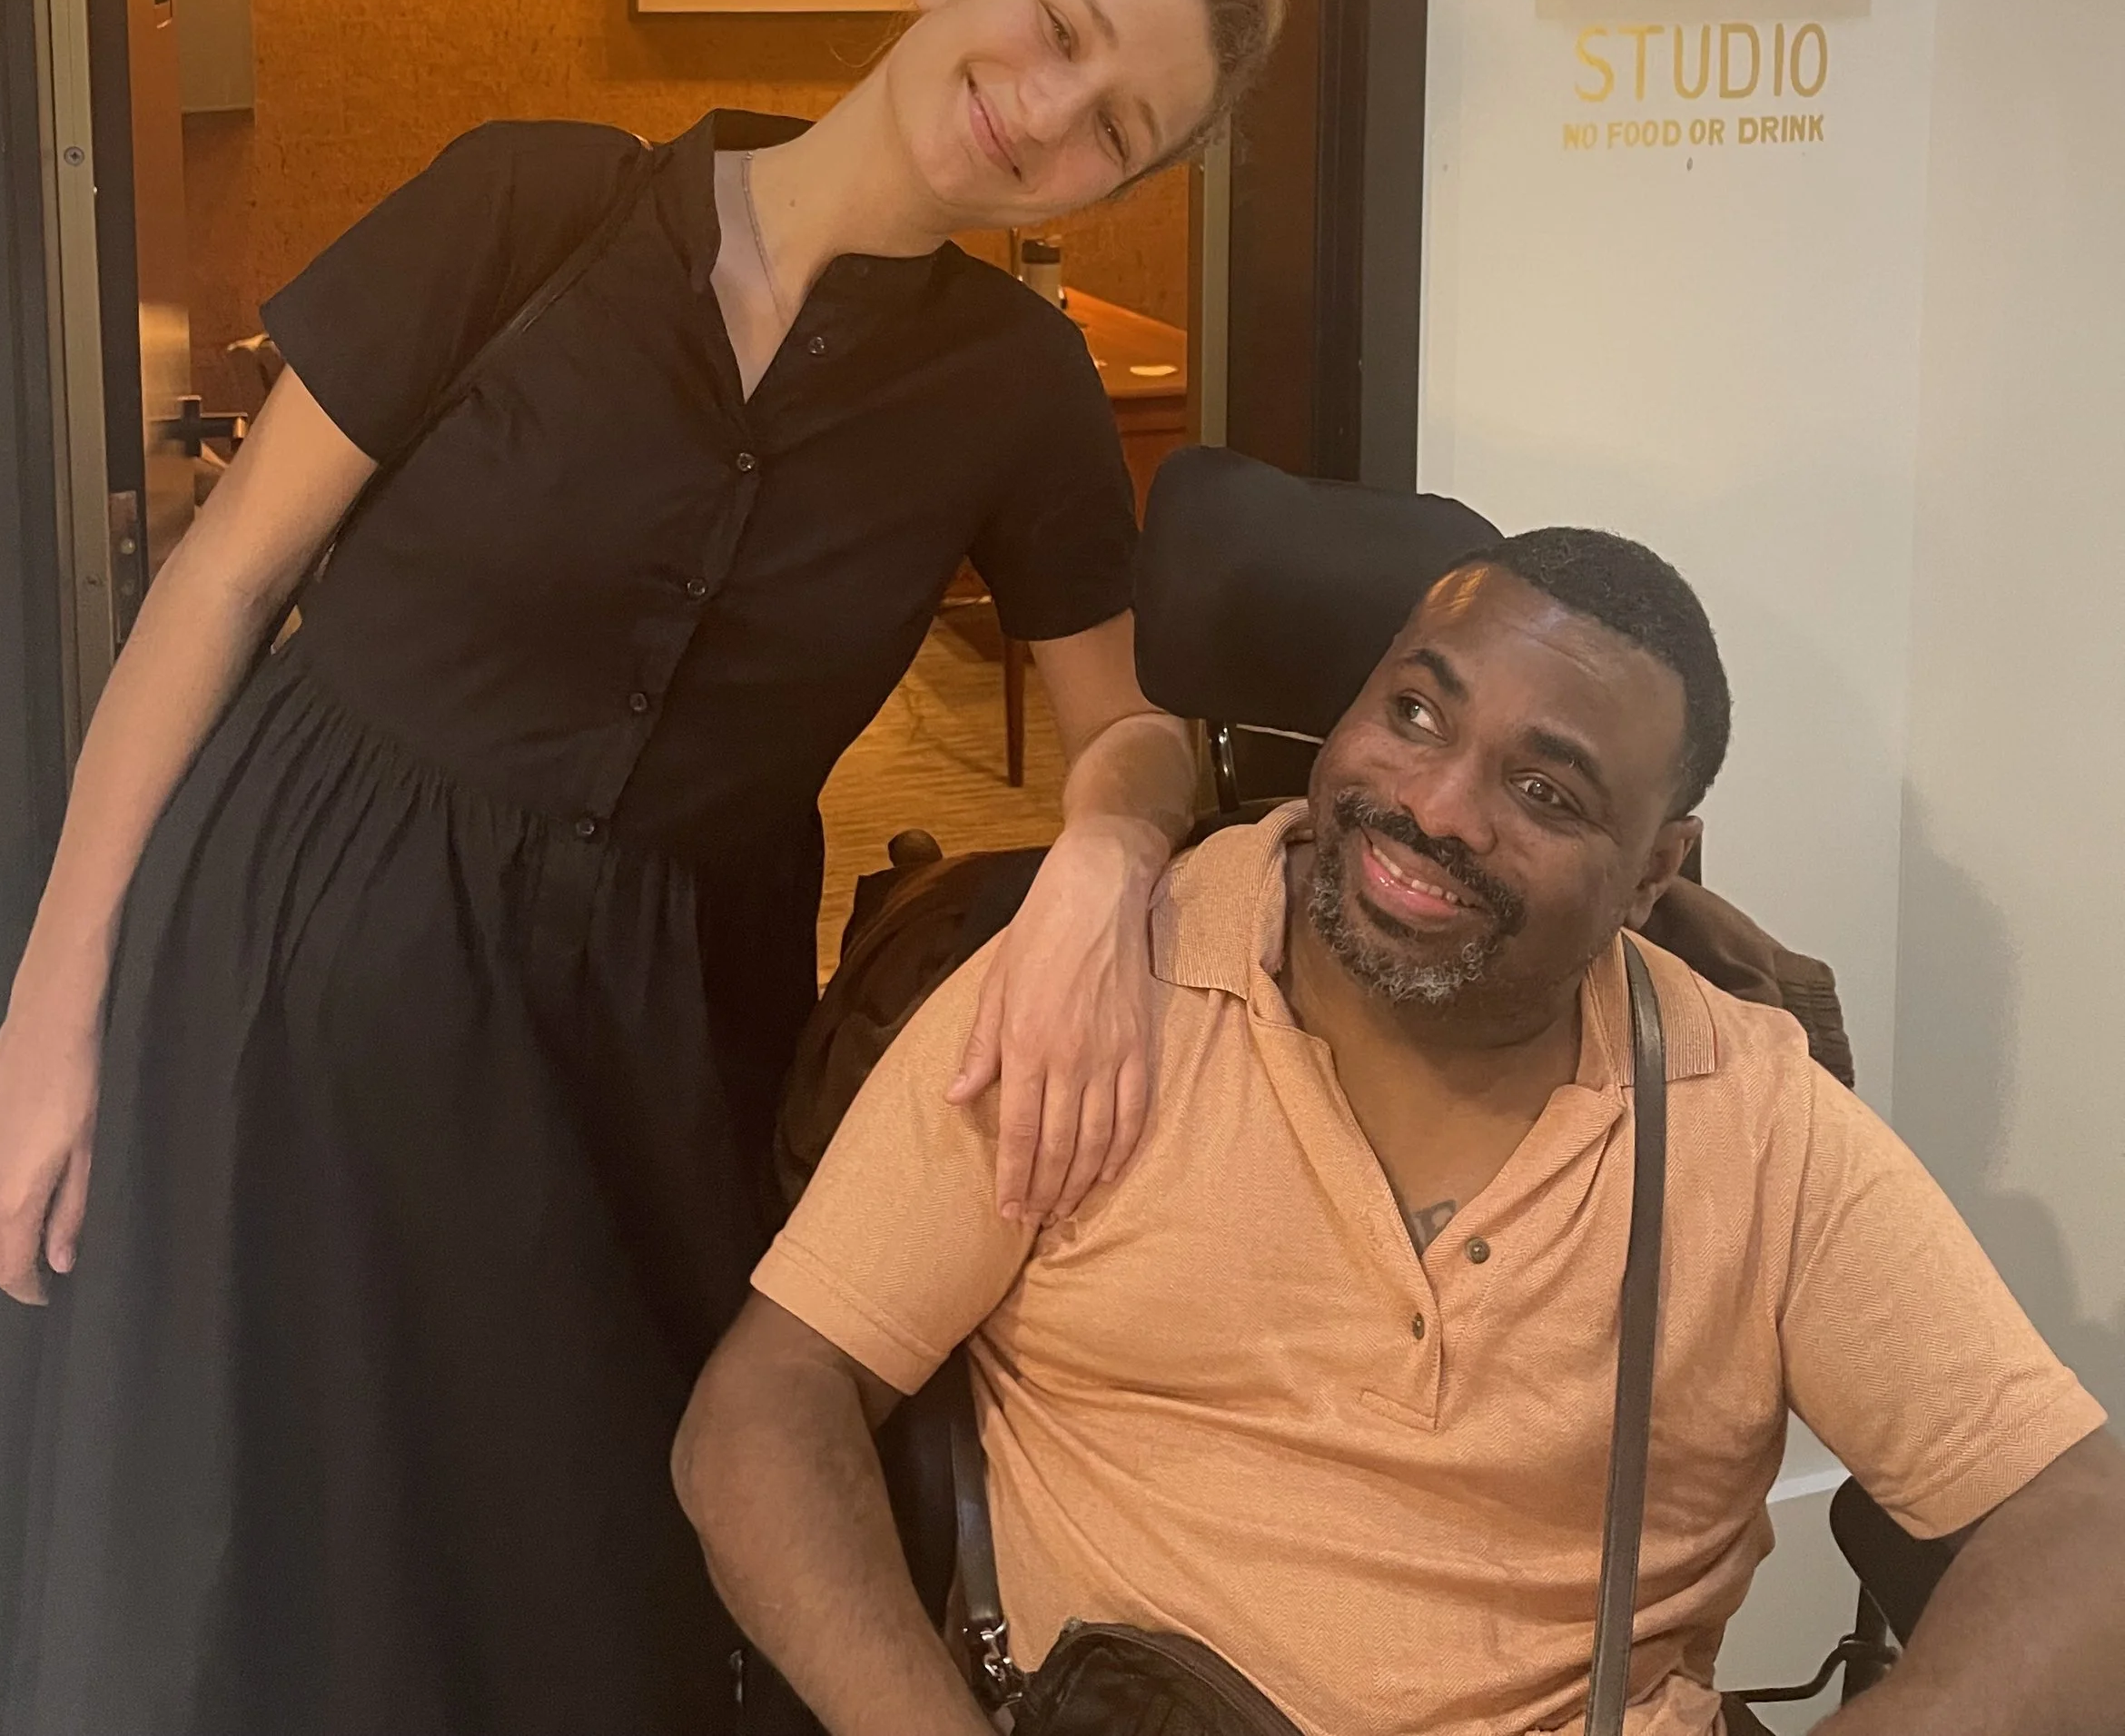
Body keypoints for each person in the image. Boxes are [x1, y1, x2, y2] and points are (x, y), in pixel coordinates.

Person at [0, 0, 1285, 1736]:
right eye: (1058, 29)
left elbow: (1125, 726)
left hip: (641, 1044)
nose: (1048, 108)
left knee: (570, 1566)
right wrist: (49, 1021)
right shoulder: (532, 206)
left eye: (1113, 124)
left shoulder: (1011, 385)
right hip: (285, 957)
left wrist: (1102, 849)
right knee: (230, 1528)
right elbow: (222, 583)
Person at [677, 529, 2125, 1736]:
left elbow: (2085, 1533)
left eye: (1544, 790)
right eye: (1414, 715)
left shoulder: (1752, 1120)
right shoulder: (1100, 996)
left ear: (1653, 873)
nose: (1434, 807)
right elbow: (767, 1410)